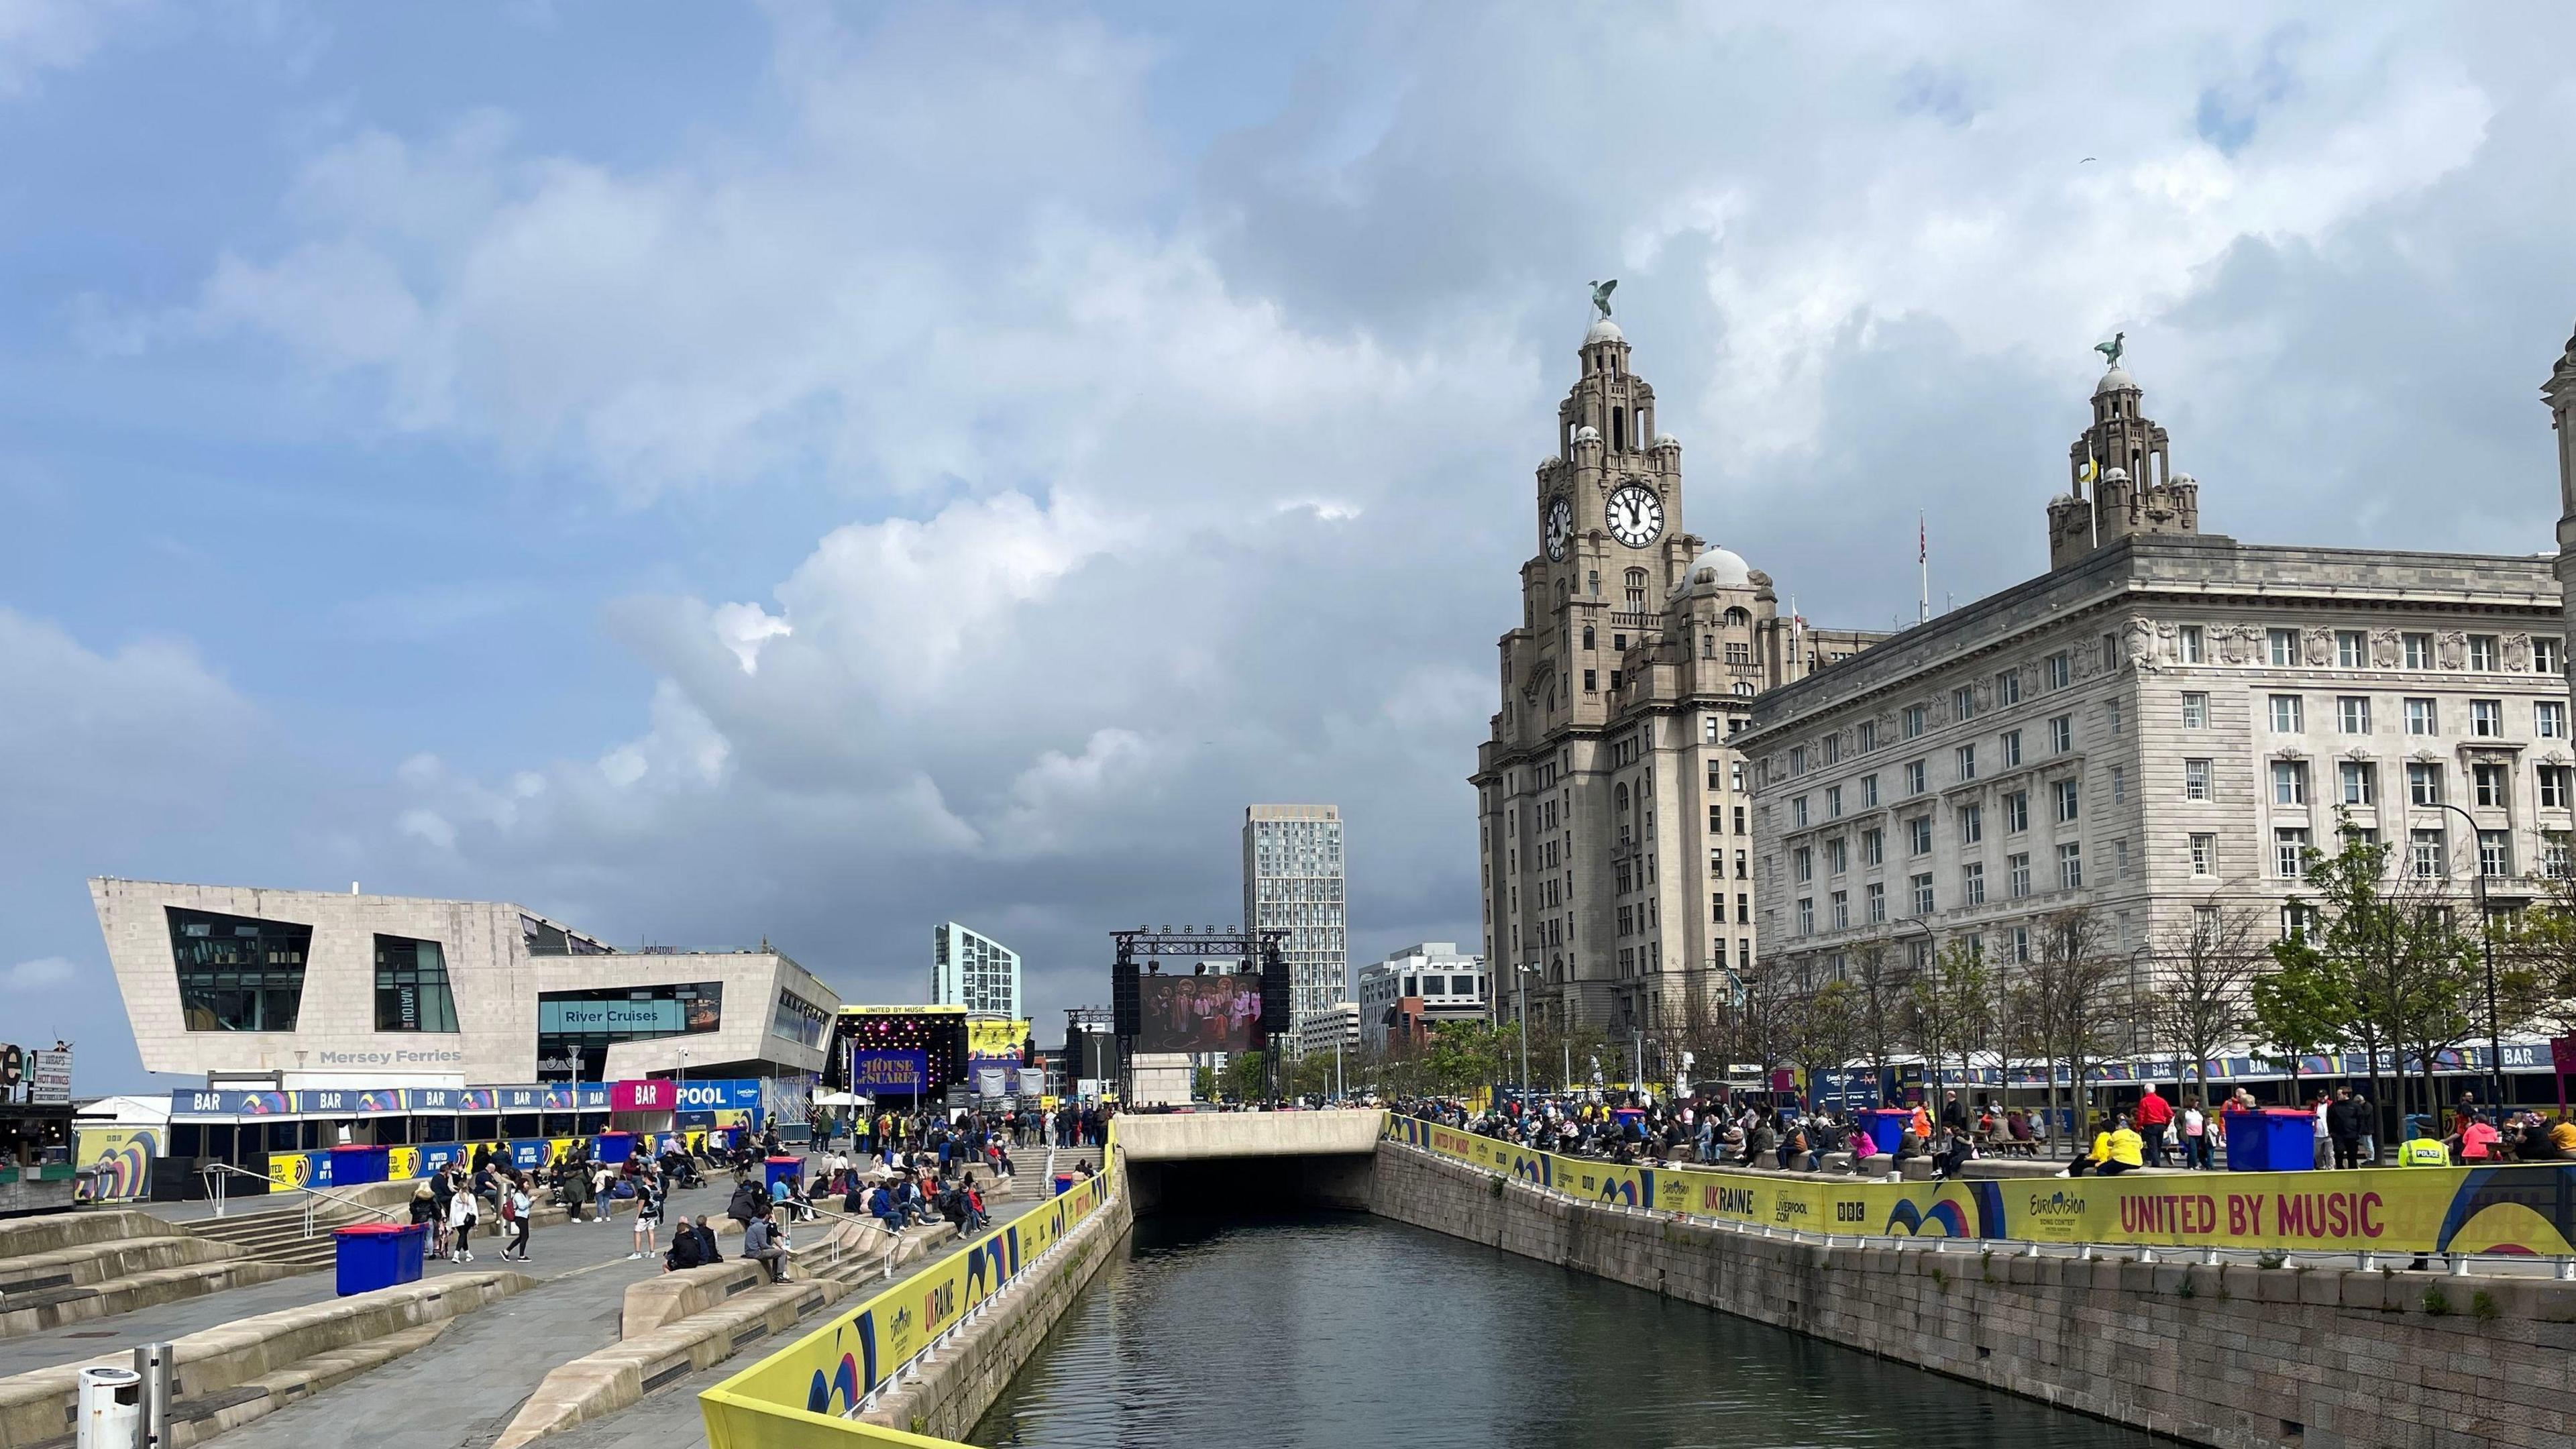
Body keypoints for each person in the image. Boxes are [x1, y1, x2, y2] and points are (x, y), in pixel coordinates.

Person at [2070, 1114, 2143, 1177]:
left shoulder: (2117, 1134)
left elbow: (2109, 1143)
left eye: (2119, 1125)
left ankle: (2106, 1187)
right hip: (2137, 1163)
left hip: (2122, 1161)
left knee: (2102, 1169)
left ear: (2122, 1126)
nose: (2117, 1127)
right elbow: (2141, 1147)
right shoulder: (2137, 1136)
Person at [742, 1208, 790, 1284]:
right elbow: (763, 1244)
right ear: (767, 1215)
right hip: (756, 1252)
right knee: (782, 1253)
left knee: (777, 1253)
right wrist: (773, 1247)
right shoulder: (760, 1226)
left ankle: (775, 1275)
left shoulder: (754, 1224)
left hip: (750, 1251)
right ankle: (779, 1276)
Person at [2327, 1088, 2368, 1169]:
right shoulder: (2334, 1106)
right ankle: (2339, 1169)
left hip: (2352, 1134)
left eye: (2339, 1094)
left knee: (2352, 1155)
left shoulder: (2355, 1106)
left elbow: (2361, 1119)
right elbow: (2329, 1119)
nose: (2337, 1096)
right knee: (2339, 1152)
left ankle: (2352, 1170)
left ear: (2346, 1095)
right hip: (2338, 1135)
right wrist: (2331, 1131)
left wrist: (2359, 1132)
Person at [2135, 1085, 2174, 1167]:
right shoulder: (2162, 1101)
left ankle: (2156, 1164)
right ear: (2155, 1090)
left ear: (2145, 1091)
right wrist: (2166, 1123)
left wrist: (2139, 1125)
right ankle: (2156, 1161)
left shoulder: (2144, 1101)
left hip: (2150, 1126)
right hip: (2161, 1125)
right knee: (2159, 1145)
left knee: (2152, 1146)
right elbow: (2170, 1114)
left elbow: (2141, 1115)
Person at [447, 1173, 480, 1263]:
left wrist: (452, 1223)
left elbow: (452, 1211)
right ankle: (456, 1255)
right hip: (466, 1219)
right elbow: (474, 1209)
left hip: (457, 1221)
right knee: (463, 1236)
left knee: (463, 1235)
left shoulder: (455, 1198)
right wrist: (476, 1221)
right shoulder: (470, 1196)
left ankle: (468, 1254)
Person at [629, 1175, 663, 1260]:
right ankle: (652, 1252)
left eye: (643, 1178)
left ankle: (637, 1252)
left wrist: (637, 1216)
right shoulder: (655, 1188)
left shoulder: (644, 1189)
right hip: (654, 1213)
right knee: (651, 1232)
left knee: (637, 1232)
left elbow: (641, 1202)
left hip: (645, 1214)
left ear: (646, 1178)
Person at [503, 1174, 535, 1263]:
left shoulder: (524, 1195)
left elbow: (528, 1206)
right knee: (525, 1236)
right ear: (522, 1185)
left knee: (522, 1237)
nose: (528, 1186)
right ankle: (521, 1256)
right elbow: (521, 1206)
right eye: (526, 1184)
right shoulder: (518, 1195)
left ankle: (506, 1251)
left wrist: (532, 1201)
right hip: (520, 1218)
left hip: (524, 1217)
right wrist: (530, 1201)